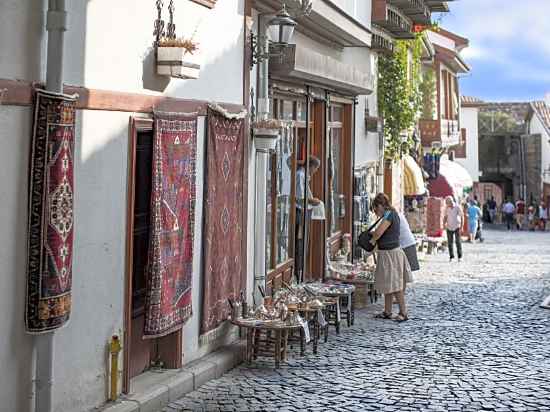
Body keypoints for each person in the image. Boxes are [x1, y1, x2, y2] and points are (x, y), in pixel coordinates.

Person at [369, 193, 412, 322]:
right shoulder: (390, 214)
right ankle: (387, 311)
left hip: (391, 253)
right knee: (389, 283)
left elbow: (379, 232)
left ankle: (403, 313)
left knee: (395, 284)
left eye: (376, 209)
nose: (376, 213)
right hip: (389, 252)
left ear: (381, 205)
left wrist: (371, 240)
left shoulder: (388, 214)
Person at [295, 156, 321, 281]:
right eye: (315, 168)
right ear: (311, 166)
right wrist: (314, 201)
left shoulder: (305, 176)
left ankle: (301, 273)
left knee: (304, 242)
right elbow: (300, 197)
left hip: (305, 211)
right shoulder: (300, 175)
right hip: (300, 212)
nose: (315, 171)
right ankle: (298, 275)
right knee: (300, 243)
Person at [443, 196, 463, 262]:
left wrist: (461, 227)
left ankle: (460, 257)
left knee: (458, 242)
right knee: (450, 243)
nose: (447, 204)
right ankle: (451, 257)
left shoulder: (457, 207)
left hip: (457, 226)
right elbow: (445, 217)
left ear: (451, 202)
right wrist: (444, 224)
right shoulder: (446, 208)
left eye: (447, 203)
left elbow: (462, 217)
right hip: (449, 226)